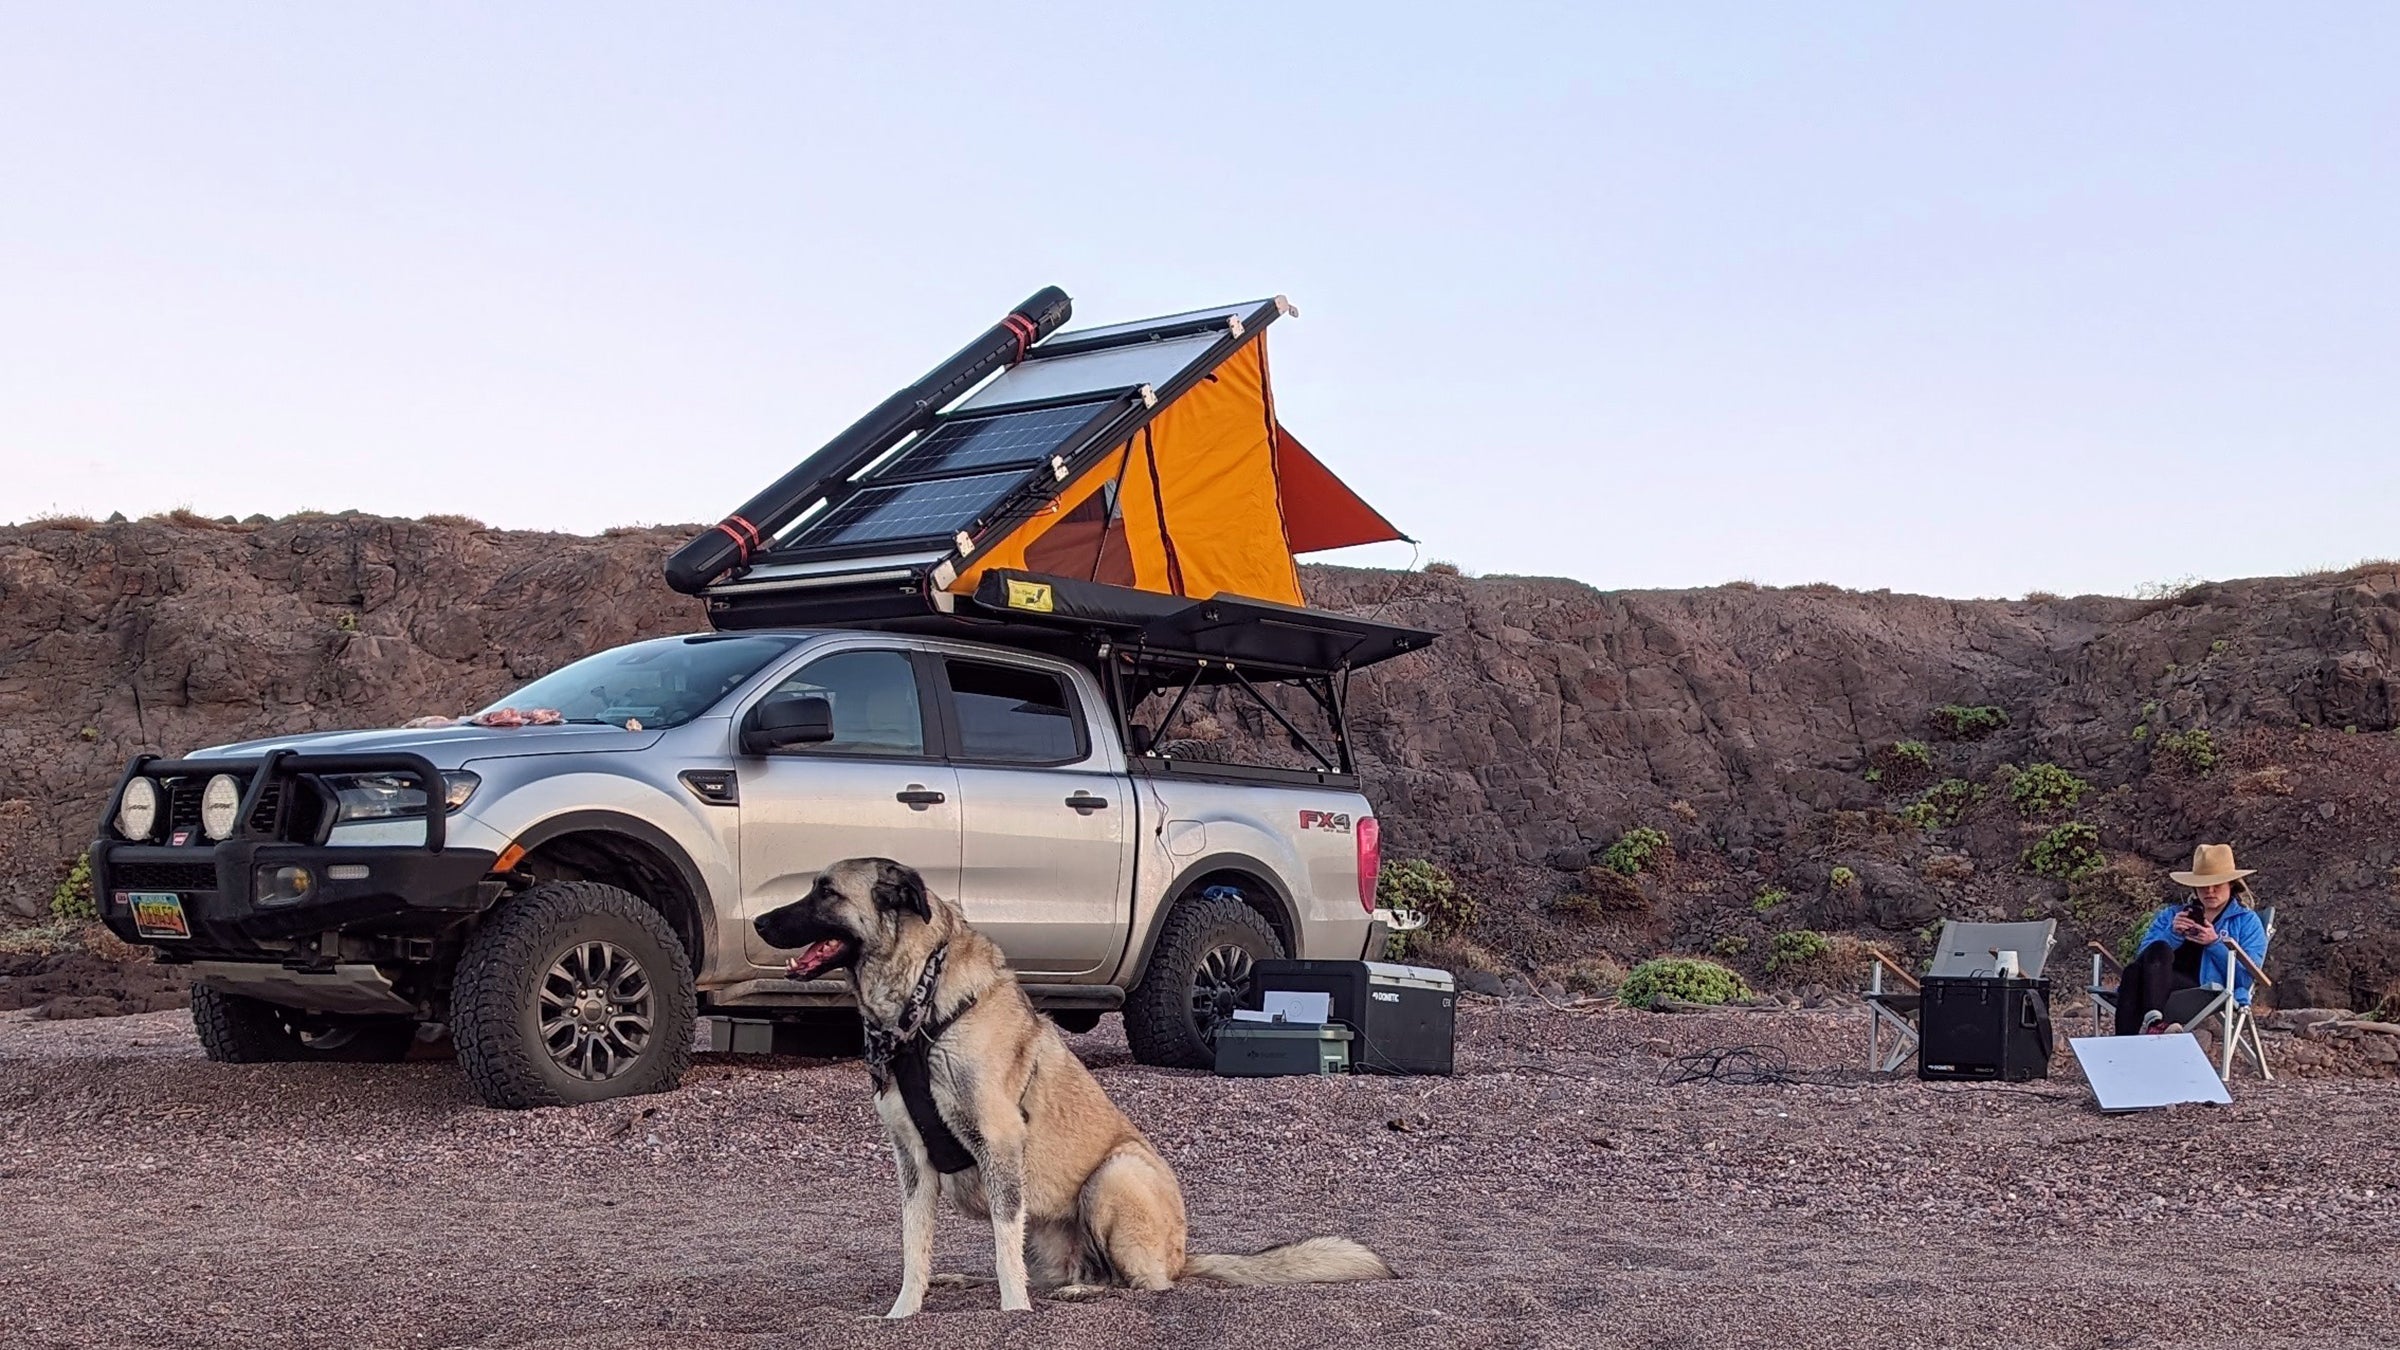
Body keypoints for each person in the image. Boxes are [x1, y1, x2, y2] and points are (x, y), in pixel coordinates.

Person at [2113, 843, 2270, 1035]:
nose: (2210, 891)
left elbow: (2245, 978)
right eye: (2203, 885)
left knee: (2133, 974)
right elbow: (2144, 956)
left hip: (2204, 989)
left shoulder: (2247, 922)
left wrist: (2214, 944)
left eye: (2217, 885)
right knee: (2149, 956)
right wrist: (2173, 934)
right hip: (2158, 983)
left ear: (2231, 884)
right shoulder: (2171, 915)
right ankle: (2155, 1024)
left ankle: (2125, 1041)